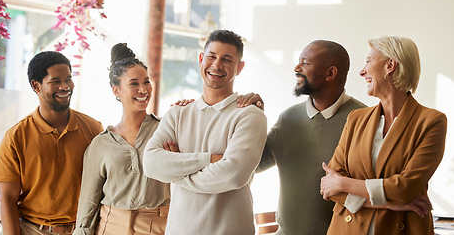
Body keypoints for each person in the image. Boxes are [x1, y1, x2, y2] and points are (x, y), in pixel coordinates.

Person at [143, 29, 267, 235]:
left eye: (227, 59)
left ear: (240, 68)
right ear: (201, 59)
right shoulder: (176, 113)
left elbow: (234, 175)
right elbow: (151, 163)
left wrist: (178, 175)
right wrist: (210, 160)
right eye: (212, 56)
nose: (217, 65)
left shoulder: (250, 116)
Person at [320, 36, 447, 235]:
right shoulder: (356, 119)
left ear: (390, 65)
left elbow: (404, 189)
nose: (362, 71)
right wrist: (393, 204)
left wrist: (345, 183)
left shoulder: (431, 121)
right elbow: (330, 188)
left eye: (369, 61)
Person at [241, 40, 366, 235]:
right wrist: (249, 118)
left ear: (330, 73)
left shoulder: (364, 119)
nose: (296, 68)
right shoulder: (288, 118)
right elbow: (250, 164)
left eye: (305, 63)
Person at [0, 51, 103, 234]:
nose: (65, 86)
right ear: (36, 85)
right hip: (33, 230)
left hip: (83, 229)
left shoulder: (93, 129)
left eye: (68, 79)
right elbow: (7, 199)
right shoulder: (15, 137)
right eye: (56, 81)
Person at [73, 43, 171, 235]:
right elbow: (88, 201)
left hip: (158, 227)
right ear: (116, 91)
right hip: (109, 227)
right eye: (134, 83)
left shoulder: (167, 129)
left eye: (146, 81)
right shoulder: (100, 144)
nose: (143, 89)